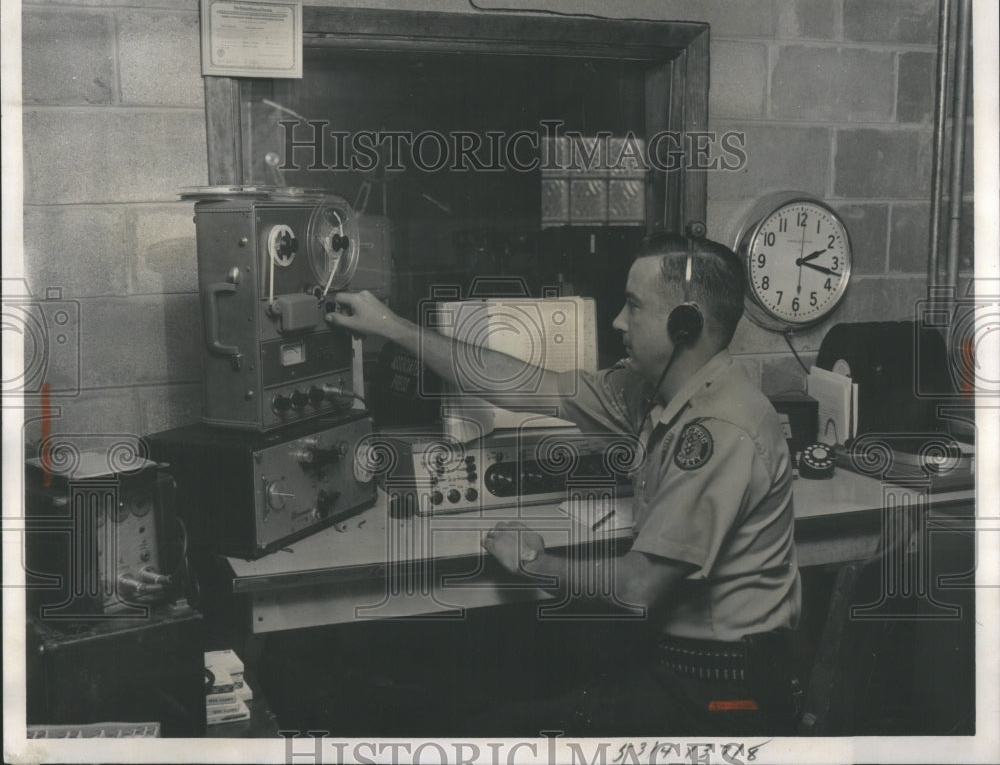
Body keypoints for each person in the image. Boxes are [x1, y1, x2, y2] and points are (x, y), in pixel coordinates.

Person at [325, 233, 801, 736]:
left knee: (498, 733)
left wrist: (535, 561)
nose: (618, 320)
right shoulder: (653, 391)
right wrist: (391, 326)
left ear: (683, 325)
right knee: (501, 678)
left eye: (634, 307)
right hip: (677, 657)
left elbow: (639, 588)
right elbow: (525, 383)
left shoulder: (720, 428)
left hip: (723, 692)